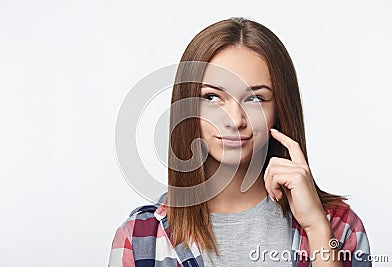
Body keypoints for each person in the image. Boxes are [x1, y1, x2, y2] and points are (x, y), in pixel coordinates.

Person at [108, 17, 371, 267]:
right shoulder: (141, 237)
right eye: (212, 98)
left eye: (255, 98)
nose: (235, 119)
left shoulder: (339, 226)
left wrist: (316, 227)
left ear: (279, 110)